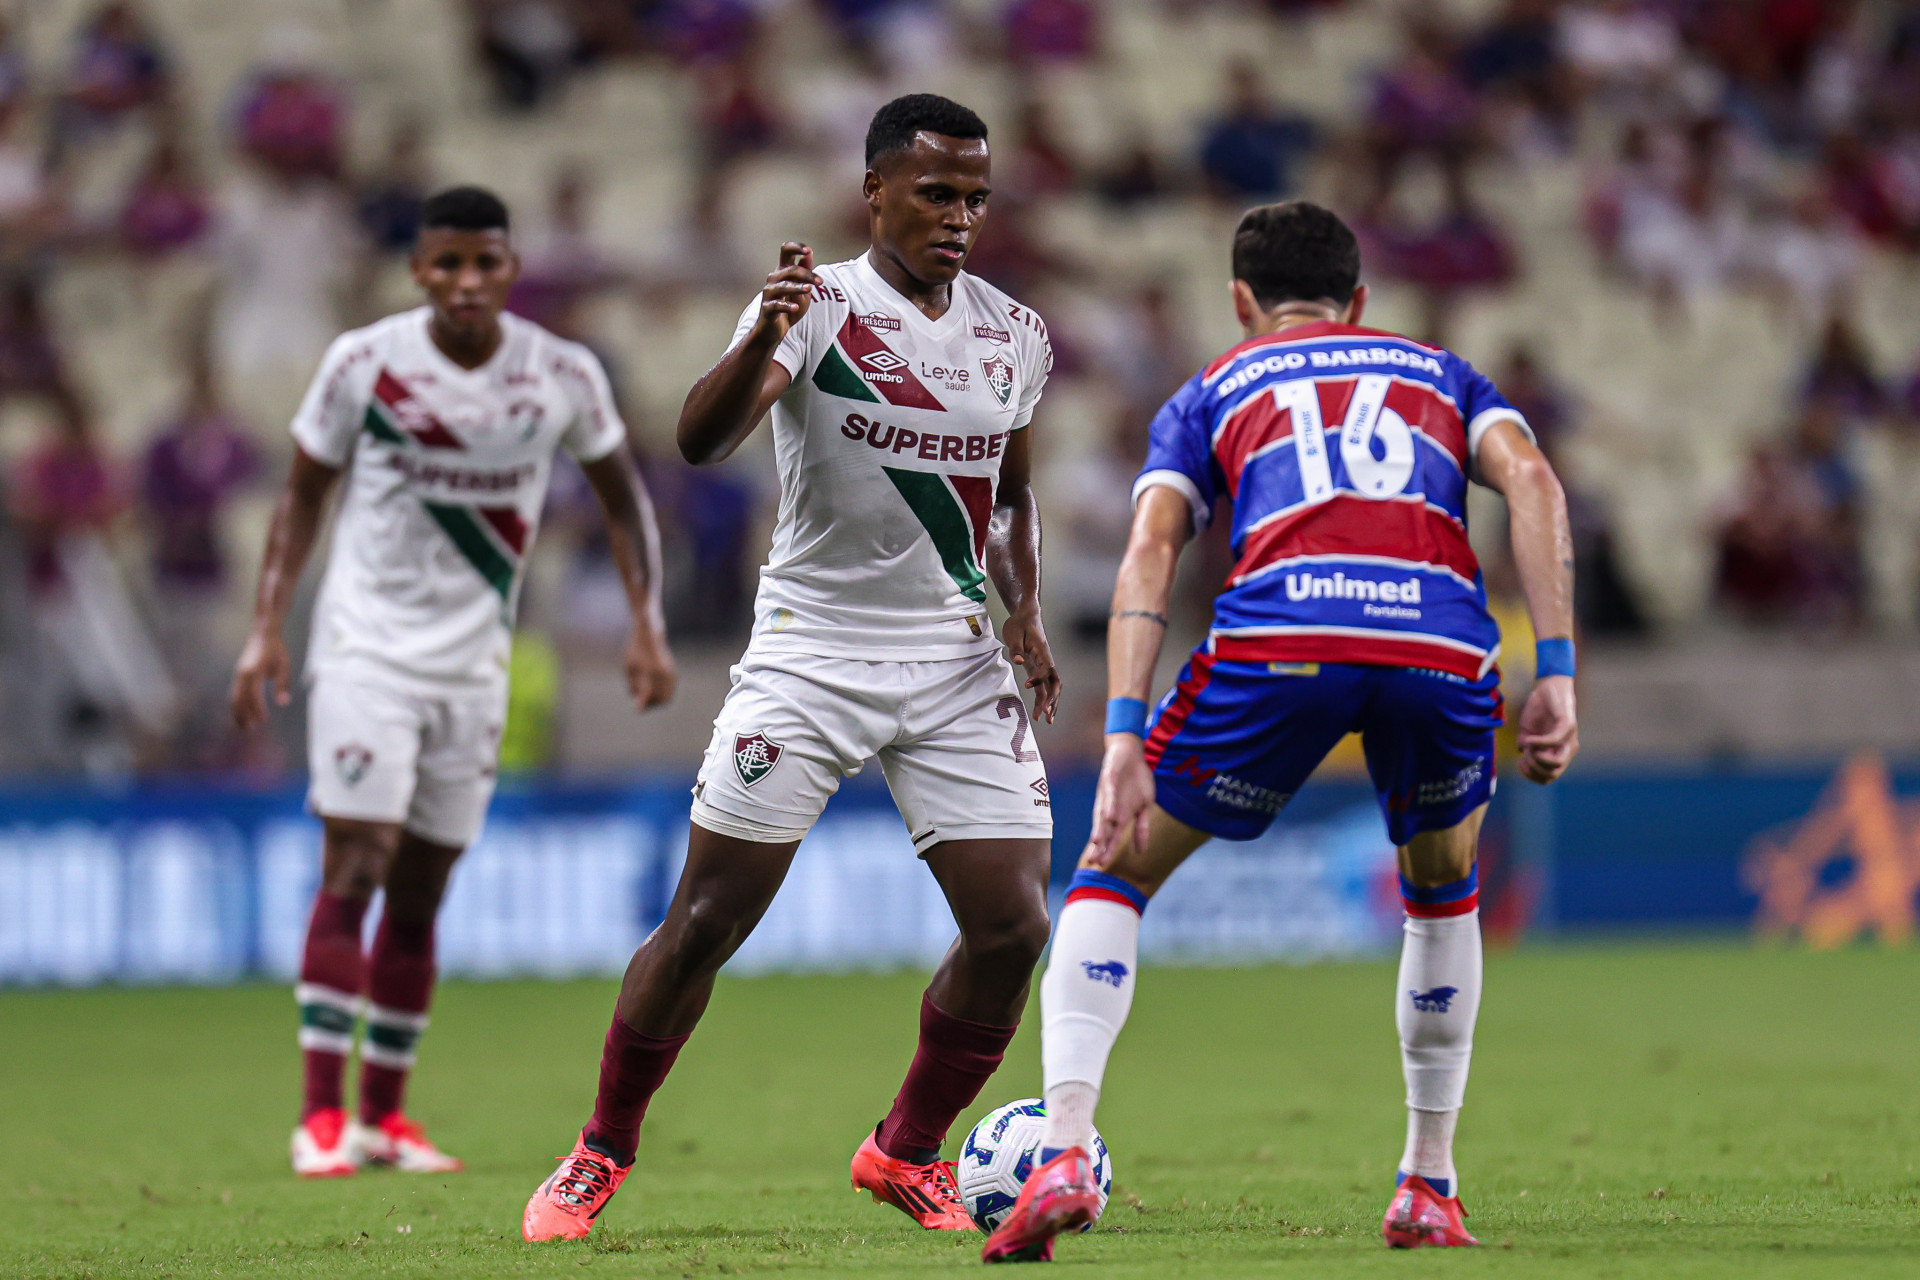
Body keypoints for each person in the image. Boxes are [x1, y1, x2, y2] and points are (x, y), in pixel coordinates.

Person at [982, 201, 1580, 1262]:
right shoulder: (1443, 375)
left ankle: (1064, 1148)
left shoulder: (1214, 386)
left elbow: (1152, 546)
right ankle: (1428, 1183)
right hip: (1438, 643)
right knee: (1442, 891)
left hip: (1284, 632)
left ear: (1241, 301)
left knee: (1111, 871)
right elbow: (1532, 478)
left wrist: (1123, 730)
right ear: (1358, 302)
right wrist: (1560, 672)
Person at [521, 94, 1062, 1243]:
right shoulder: (816, 310)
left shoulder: (1017, 332)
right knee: (708, 916)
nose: (960, 215)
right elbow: (701, 437)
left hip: (956, 656)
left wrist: (1026, 610)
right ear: (875, 193)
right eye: (935, 192)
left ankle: (906, 1149)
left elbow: (1011, 493)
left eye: (975, 196)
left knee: (1014, 926)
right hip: (811, 652)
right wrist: (762, 336)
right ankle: (600, 1146)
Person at [229, 186, 676, 1178]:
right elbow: (301, 494)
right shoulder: (366, 363)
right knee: (357, 860)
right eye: (447, 264)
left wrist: (647, 622)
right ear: (418, 271)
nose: (466, 282)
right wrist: (266, 630)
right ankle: (319, 1116)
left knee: (425, 887)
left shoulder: (559, 373)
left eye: (485, 262)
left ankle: (386, 1118)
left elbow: (623, 498)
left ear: (511, 267)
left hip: (475, 664)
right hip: (366, 650)